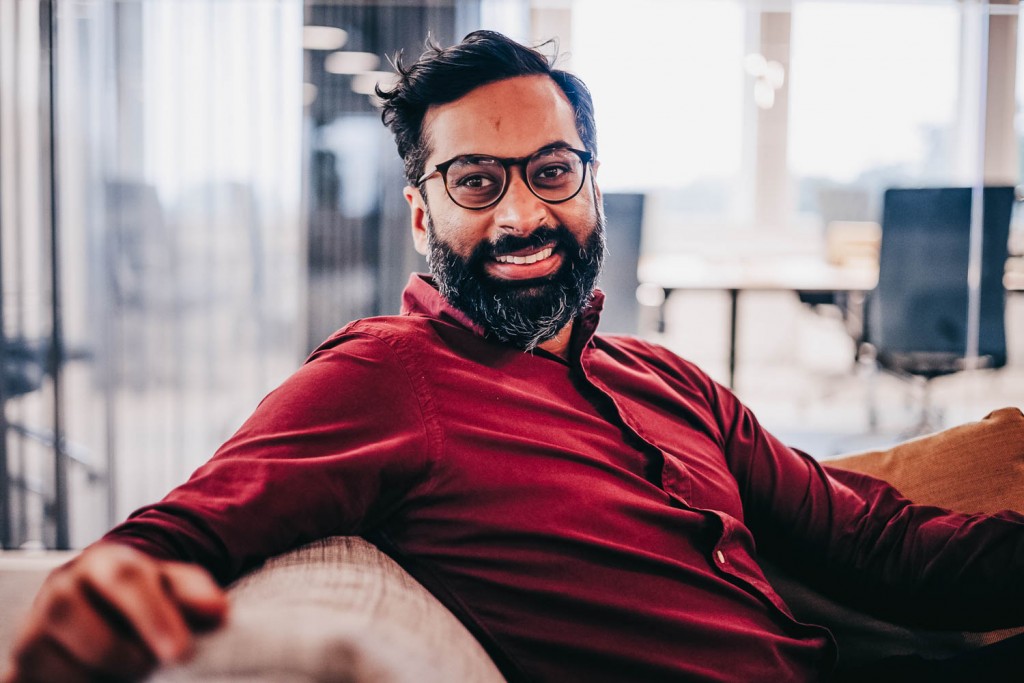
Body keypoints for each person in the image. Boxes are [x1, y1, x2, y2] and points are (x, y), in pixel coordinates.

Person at [4, 30, 1024, 683]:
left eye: (550, 171)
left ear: (588, 181)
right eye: (477, 182)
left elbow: (875, 543)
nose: (524, 212)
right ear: (421, 215)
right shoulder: (389, 378)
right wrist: (109, 589)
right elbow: (181, 528)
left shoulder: (664, 376)